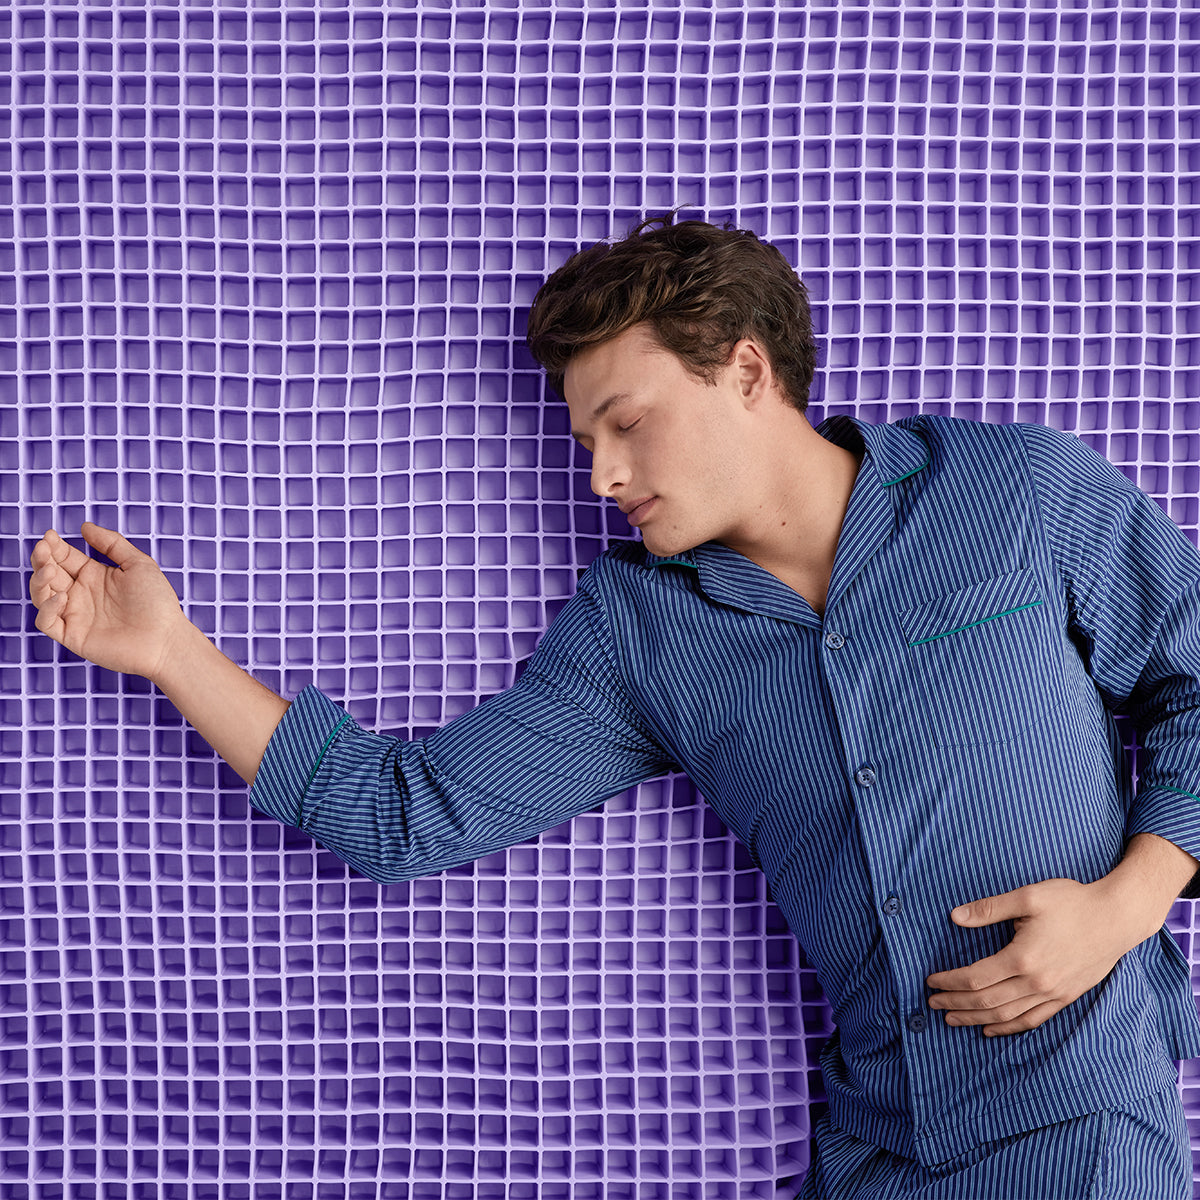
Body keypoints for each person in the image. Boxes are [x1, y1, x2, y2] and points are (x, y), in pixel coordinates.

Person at [29, 215, 1200, 1198]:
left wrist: (1130, 902)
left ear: (747, 371)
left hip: (1092, 1132)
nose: (600, 476)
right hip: (877, 1157)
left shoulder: (1018, 493)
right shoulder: (637, 633)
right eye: (583, 439)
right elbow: (407, 816)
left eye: (626, 423)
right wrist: (171, 651)